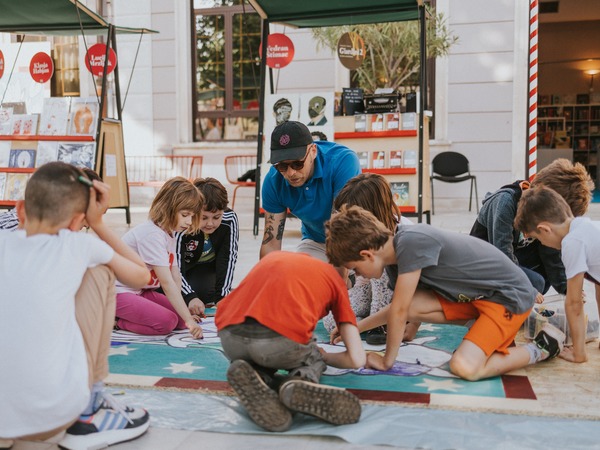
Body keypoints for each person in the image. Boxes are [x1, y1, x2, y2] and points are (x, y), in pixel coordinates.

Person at [0, 162, 151, 449]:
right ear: (76, 222)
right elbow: (141, 276)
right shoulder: (77, 246)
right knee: (100, 272)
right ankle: (89, 412)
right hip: (53, 415)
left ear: (20, 209)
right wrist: (98, 223)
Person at [325, 205, 565, 381]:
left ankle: (541, 348)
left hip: (509, 298)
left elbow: (398, 311)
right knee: (409, 305)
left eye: (355, 269)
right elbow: (401, 306)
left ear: (367, 255)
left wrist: (387, 360)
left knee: (464, 367)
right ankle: (480, 327)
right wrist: (357, 327)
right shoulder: (395, 260)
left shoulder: (411, 241)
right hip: (483, 299)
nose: (362, 276)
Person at [216, 251, 365, 432]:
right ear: (346, 272)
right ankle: (300, 382)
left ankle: (259, 377)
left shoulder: (277, 257)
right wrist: (325, 356)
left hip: (229, 337)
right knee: (313, 354)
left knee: (259, 358)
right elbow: (357, 359)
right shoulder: (335, 282)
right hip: (277, 344)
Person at [470, 158, 593, 298]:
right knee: (536, 282)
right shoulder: (504, 202)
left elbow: (551, 254)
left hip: (516, 257)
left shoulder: (541, 213)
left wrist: (567, 288)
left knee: (546, 275)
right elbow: (502, 254)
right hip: (487, 262)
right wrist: (527, 288)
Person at [323, 173, 419, 345]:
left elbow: (420, 286)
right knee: (332, 321)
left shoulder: (404, 234)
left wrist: (413, 323)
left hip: (402, 295)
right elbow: (362, 278)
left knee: (381, 268)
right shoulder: (360, 238)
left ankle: (380, 323)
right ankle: (373, 322)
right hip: (370, 292)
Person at [515, 186, 600, 363]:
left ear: (545, 229)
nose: (543, 244)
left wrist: (579, 352)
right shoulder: (587, 227)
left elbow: (574, 302)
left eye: (538, 239)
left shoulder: (572, 242)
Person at [115, 177, 204, 338]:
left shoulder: (169, 233)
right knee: (166, 322)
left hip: (140, 291)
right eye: (185, 215)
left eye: (192, 216)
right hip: (116, 293)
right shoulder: (152, 235)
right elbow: (167, 282)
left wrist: (184, 316)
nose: (189, 221)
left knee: (179, 320)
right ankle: (116, 321)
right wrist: (188, 319)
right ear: (168, 208)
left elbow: (175, 276)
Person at [260, 120, 360, 262]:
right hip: (316, 242)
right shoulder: (273, 180)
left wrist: (339, 280)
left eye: (297, 163)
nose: (291, 173)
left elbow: (342, 231)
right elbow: (271, 243)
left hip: (358, 239)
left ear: (313, 151)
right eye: (282, 166)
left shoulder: (343, 162)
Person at [177, 177, 239, 312]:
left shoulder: (229, 219)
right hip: (181, 268)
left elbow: (228, 258)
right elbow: (174, 264)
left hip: (205, 269)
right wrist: (189, 296)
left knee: (205, 294)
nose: (210, 224)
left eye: (217, 217)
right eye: (204, 218)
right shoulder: (183, 221)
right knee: (173, 294)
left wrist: (223, 297)